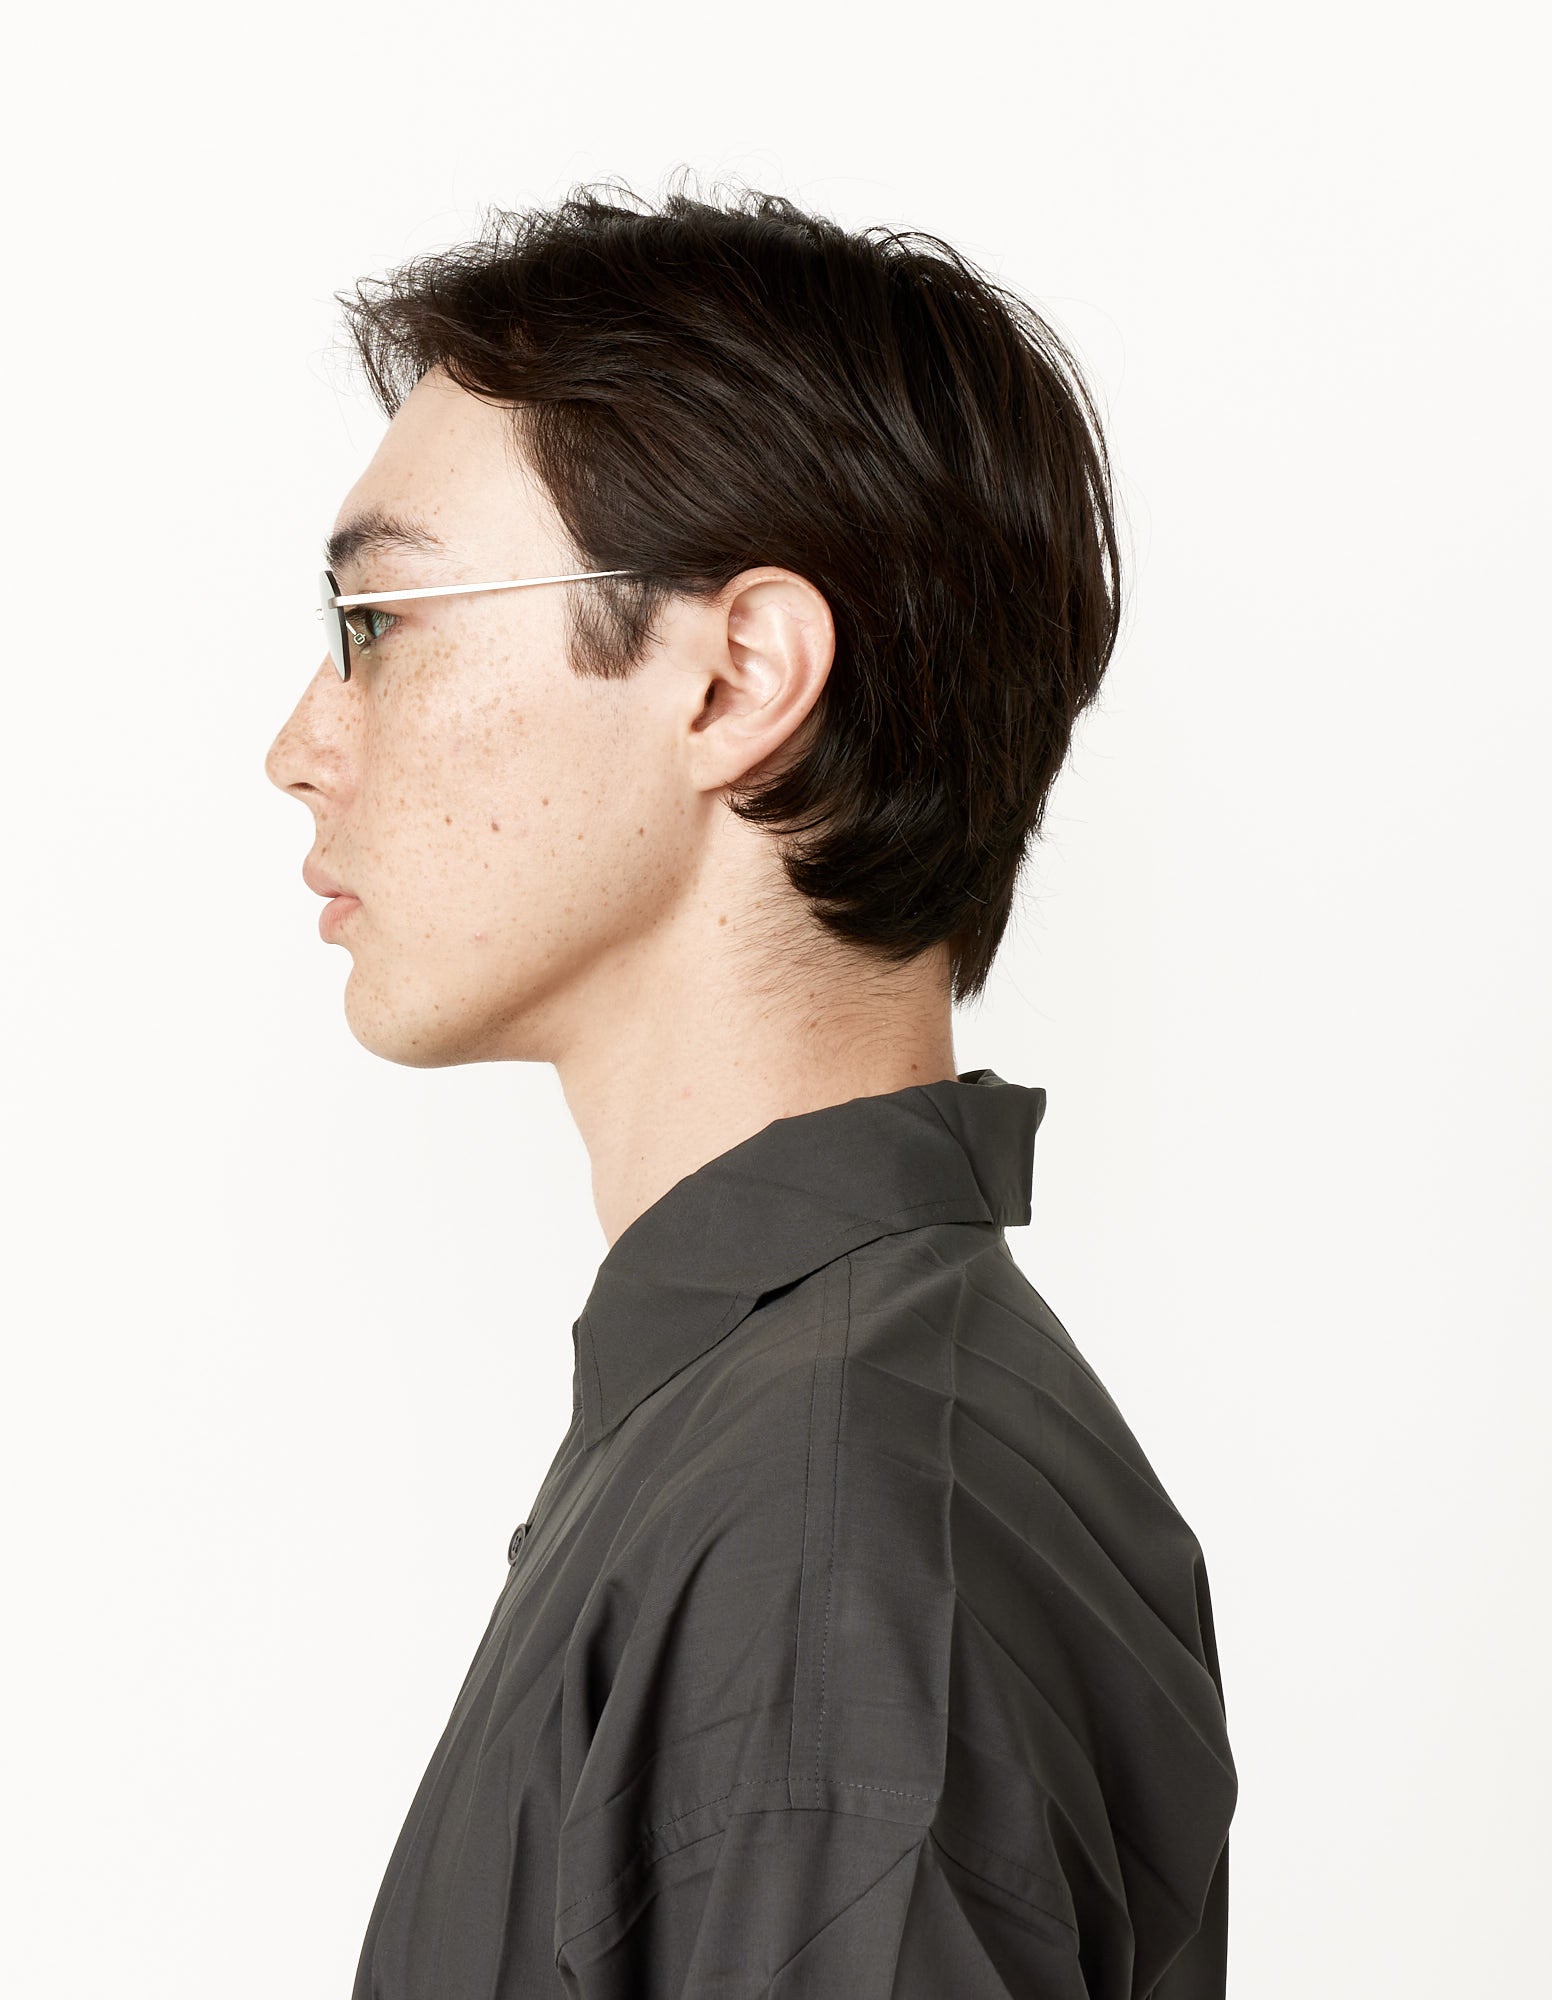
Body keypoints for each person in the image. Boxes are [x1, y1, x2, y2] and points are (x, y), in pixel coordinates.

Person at [264, 178, 1237, 2000]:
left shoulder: (832, 1543)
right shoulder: (787, 1444)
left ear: (735, 679)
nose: (299, 746)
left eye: (378, 618)